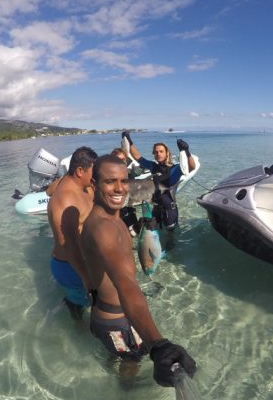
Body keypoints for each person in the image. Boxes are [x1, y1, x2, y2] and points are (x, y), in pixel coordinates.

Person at [81, 154, 197, 386]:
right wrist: (158, 345)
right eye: (110, 181)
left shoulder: (107, 218)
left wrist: (139, 228)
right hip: (116, 321)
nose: (120, 188)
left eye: (124, 181)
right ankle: (127, 397)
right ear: (94, 184)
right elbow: (125, 284)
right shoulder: (103, 228)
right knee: (131, 363)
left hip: (104, 313)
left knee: (122, 357)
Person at [47, 146, 98, 319]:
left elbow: (48, 190)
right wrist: (87, 278)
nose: (96, 175)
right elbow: (67, 245)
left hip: (81, 262)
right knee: (87, 303)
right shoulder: (65, 199)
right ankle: (73, 313)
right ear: (79, 171)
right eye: (94, 171)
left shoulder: (80, 186)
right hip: (71, 266)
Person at [121, 131, 195, 230]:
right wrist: (129, 142)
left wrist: (186, 151)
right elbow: (138, 157)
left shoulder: (175, 169)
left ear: (167, 153)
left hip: (170, 210)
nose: (158, 154)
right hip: (156, 209)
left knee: (170, 238)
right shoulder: (153, 166)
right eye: (156, 152)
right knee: (152, 232)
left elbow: (191, 167)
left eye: (161, 151)